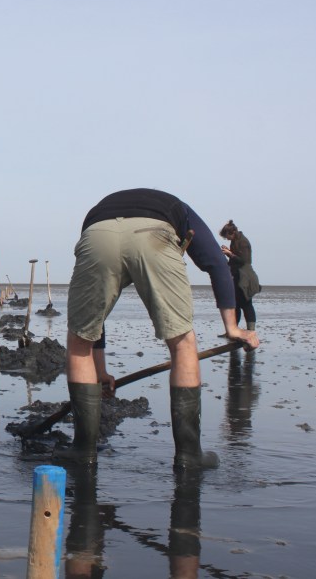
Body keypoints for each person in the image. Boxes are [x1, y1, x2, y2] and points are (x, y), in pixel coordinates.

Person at [57, 188, 259, 470]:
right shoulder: (179, 208)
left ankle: (83, 451)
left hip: (97, 234)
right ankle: (189, 457)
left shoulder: (101, 209)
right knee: (182, 342)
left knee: (79, 339)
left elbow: (95, 318)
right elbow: (215, 264)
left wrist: (100, 370)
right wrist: (232, 328)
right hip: (153, 235)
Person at [219, 220, 261, 330]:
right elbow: (236, 259)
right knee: (236, 305)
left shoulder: (243, 242)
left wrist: (230, 254)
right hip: (237, 276)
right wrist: (229, 252)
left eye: (226, 236)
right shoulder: (235, 241)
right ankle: (234, 329)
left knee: (246, 304)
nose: (226, 239)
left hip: (245, 277)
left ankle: (251, 330)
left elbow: (244, 261)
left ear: (231, 233)